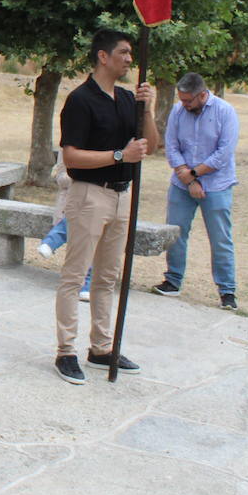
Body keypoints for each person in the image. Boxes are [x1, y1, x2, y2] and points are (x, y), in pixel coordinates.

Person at [53, 28, 158, 385]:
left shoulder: (128, 99)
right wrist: (118, 155)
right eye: (124, 53)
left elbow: (151, 146)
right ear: (103, 56)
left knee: (108, 276)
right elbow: (71, 156)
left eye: (131, 53)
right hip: (89, 194)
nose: (130, 59)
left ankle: (101, 347)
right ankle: (65, 351)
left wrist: (150, 110)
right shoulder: (81, 100)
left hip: (121, 195)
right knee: (75, 274)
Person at [151, 72, 241, 309]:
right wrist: (189, 180)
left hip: (217, 185)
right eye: (181, 100)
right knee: (176, 232)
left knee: (220, 238)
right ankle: (172, 280)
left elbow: (223, 153)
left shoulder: (225, 112)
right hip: (182, 183)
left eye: (189, 101)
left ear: (203, 95)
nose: (184, 105)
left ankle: (227, 291)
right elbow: (171, 146)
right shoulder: (177, 112)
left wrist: (195, 174)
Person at [37, 151, 92, 302]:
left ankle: (87, 284)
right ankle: (52, 241)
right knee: (76, 219)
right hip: (72, 204)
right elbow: (61, 178)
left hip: (96, 207)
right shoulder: (69, 146)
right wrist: (84, 176)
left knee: (92, 234)